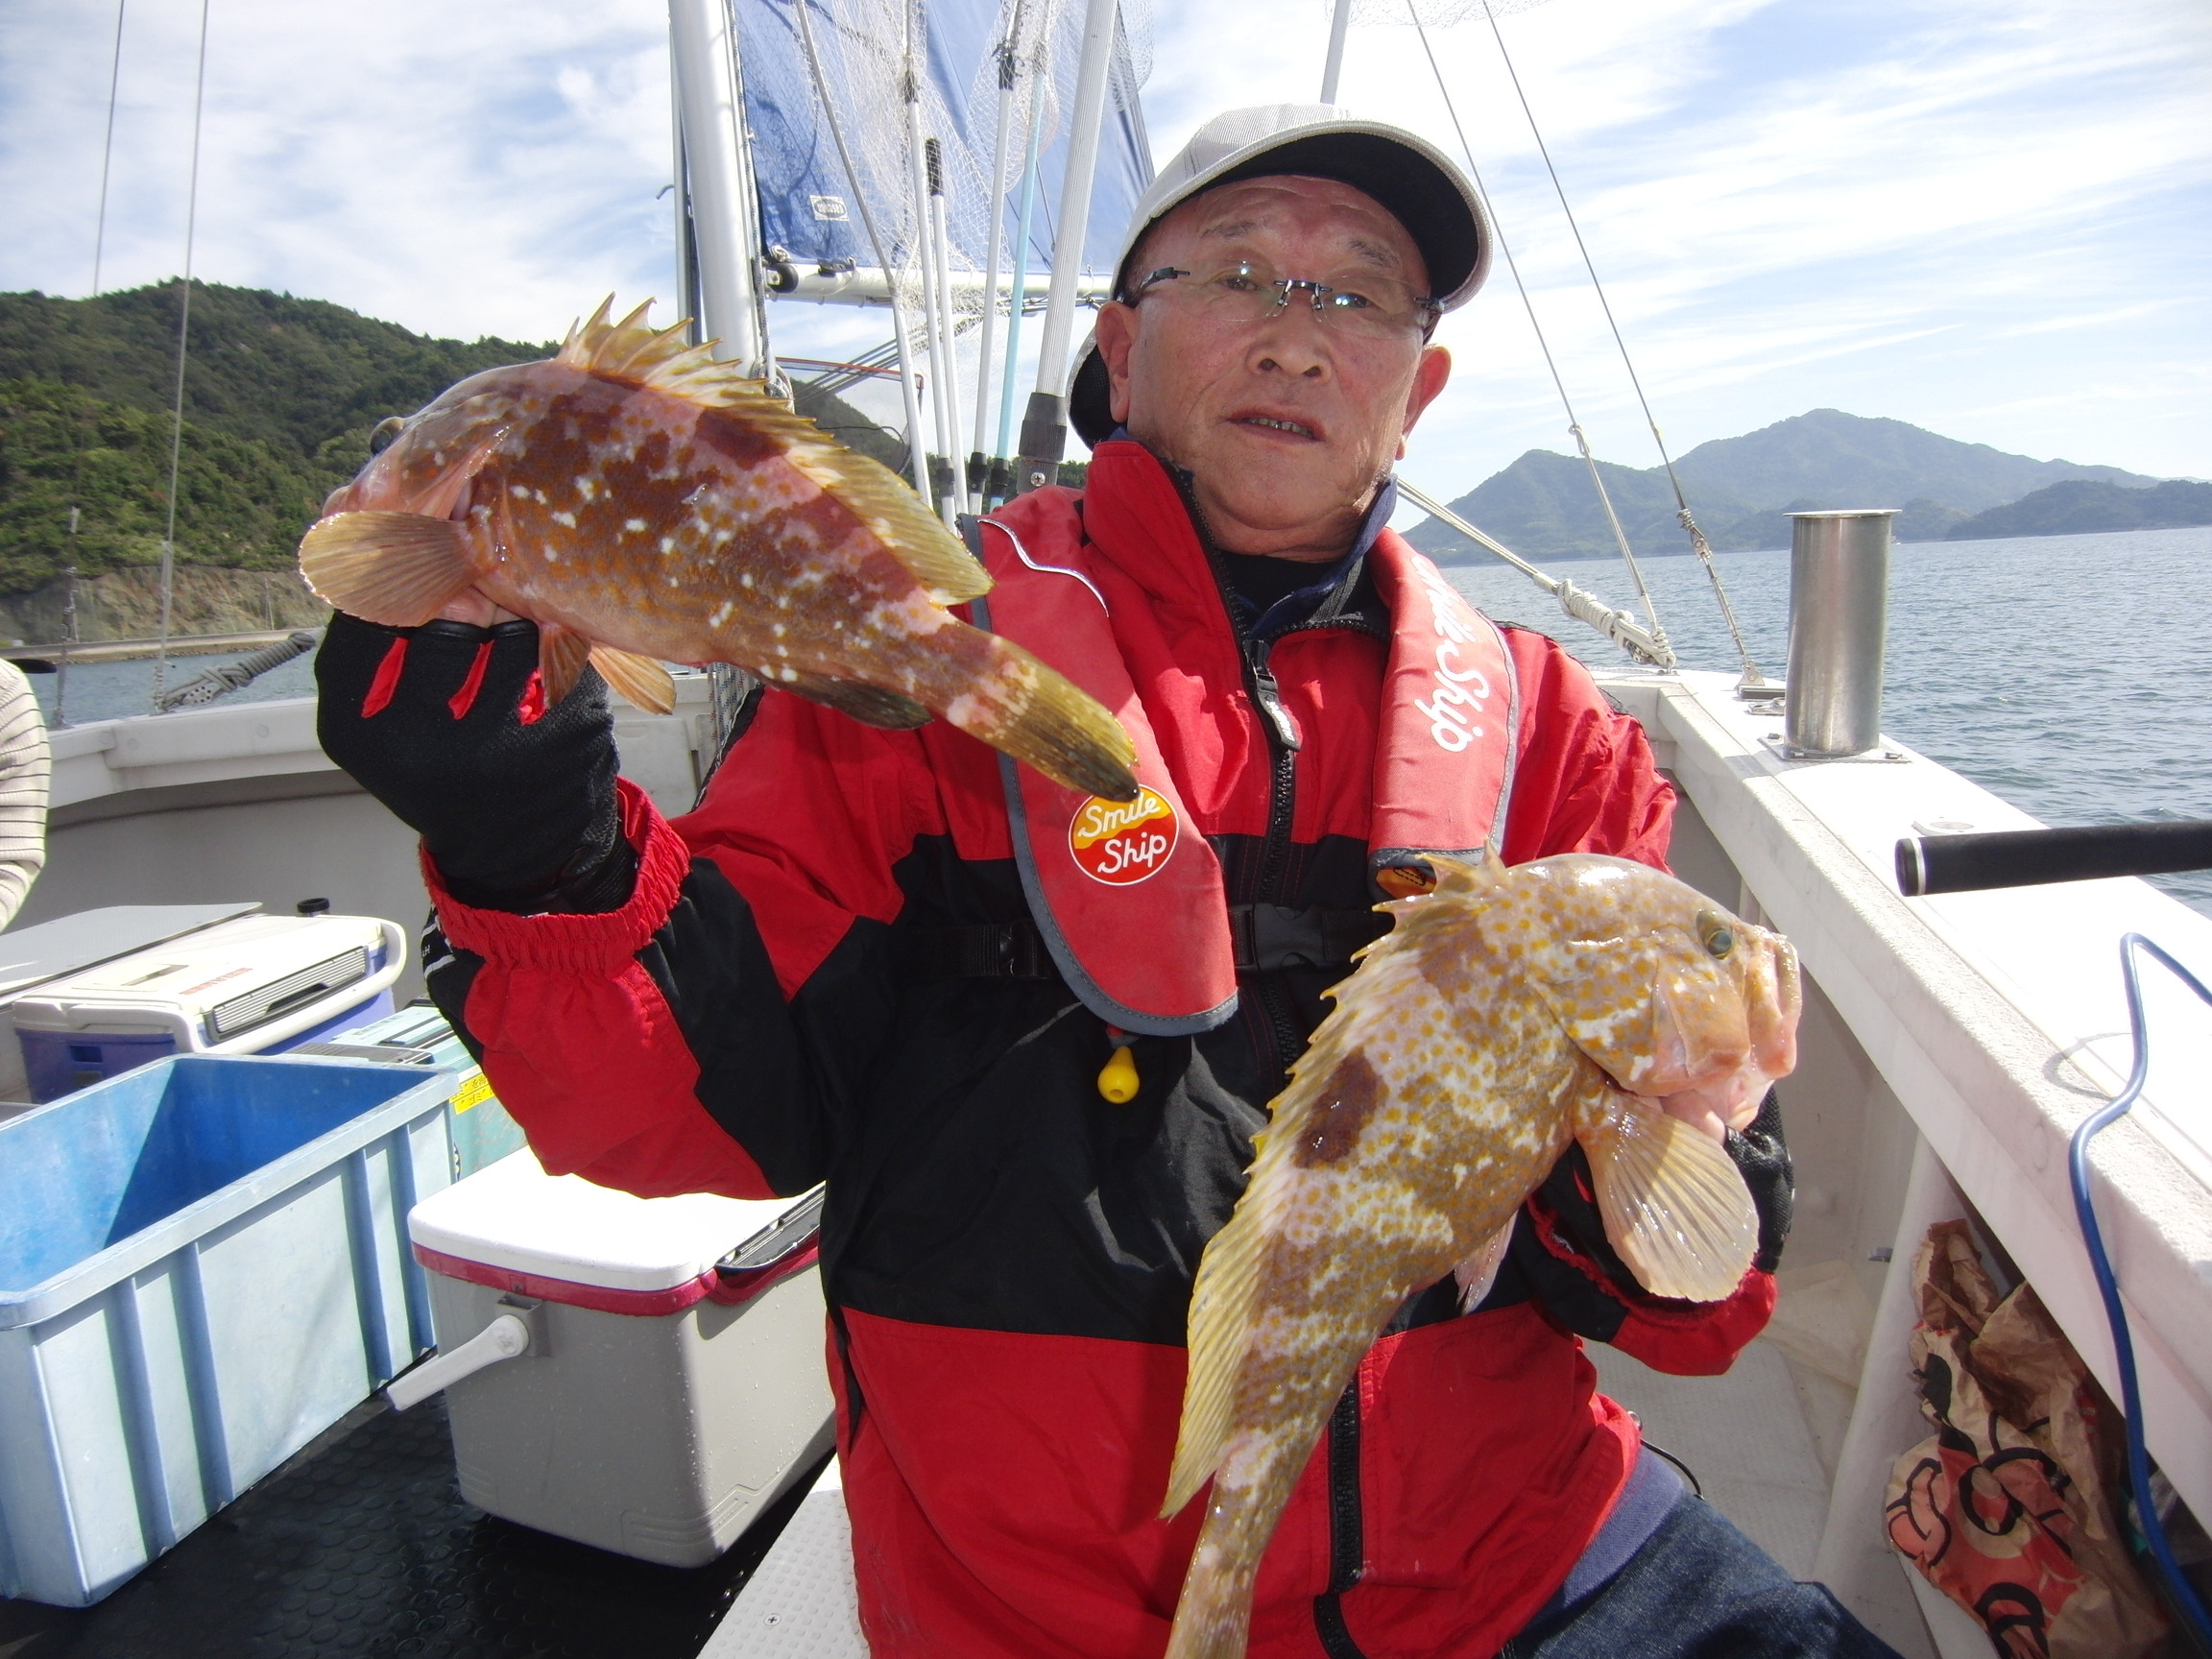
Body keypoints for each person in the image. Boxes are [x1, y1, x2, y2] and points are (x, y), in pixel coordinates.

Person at [318, 105, 1895, 1659]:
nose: (1296, 336)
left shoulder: (1550, 731)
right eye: (1236, 273)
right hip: (1043, 1617)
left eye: (1355, 291)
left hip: (1524, 1572)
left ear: (1414, 392)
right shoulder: (914, 675)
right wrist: (540, 853)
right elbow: (696, 1124)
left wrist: (1681, 1174)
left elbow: (1682, 1302)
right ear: (1119, 349)